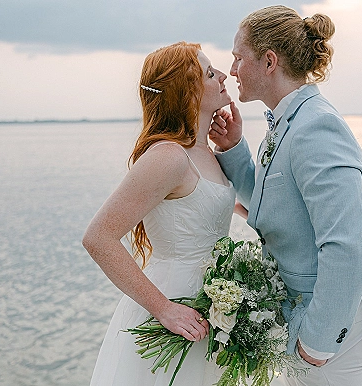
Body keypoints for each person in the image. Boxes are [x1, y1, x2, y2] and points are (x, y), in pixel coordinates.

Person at [209, 5, 362, 386]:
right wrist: (234, 149)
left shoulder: (317, 126)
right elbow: (275, 206)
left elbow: (348, 244)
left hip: (333, 327)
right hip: (304, 314)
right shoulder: (288, 121)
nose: (233, 69)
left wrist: (318, 340)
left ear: (269, 61)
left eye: (239, 57)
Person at [82, 42, 235, 386]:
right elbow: (98, 237)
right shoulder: (168, 156)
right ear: (187, 91)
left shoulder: (205, 151)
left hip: (212, 309)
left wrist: (233, 148)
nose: (223, 75)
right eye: (210, 73)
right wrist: (164, 309)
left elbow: (249, 211)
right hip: (174, 306)